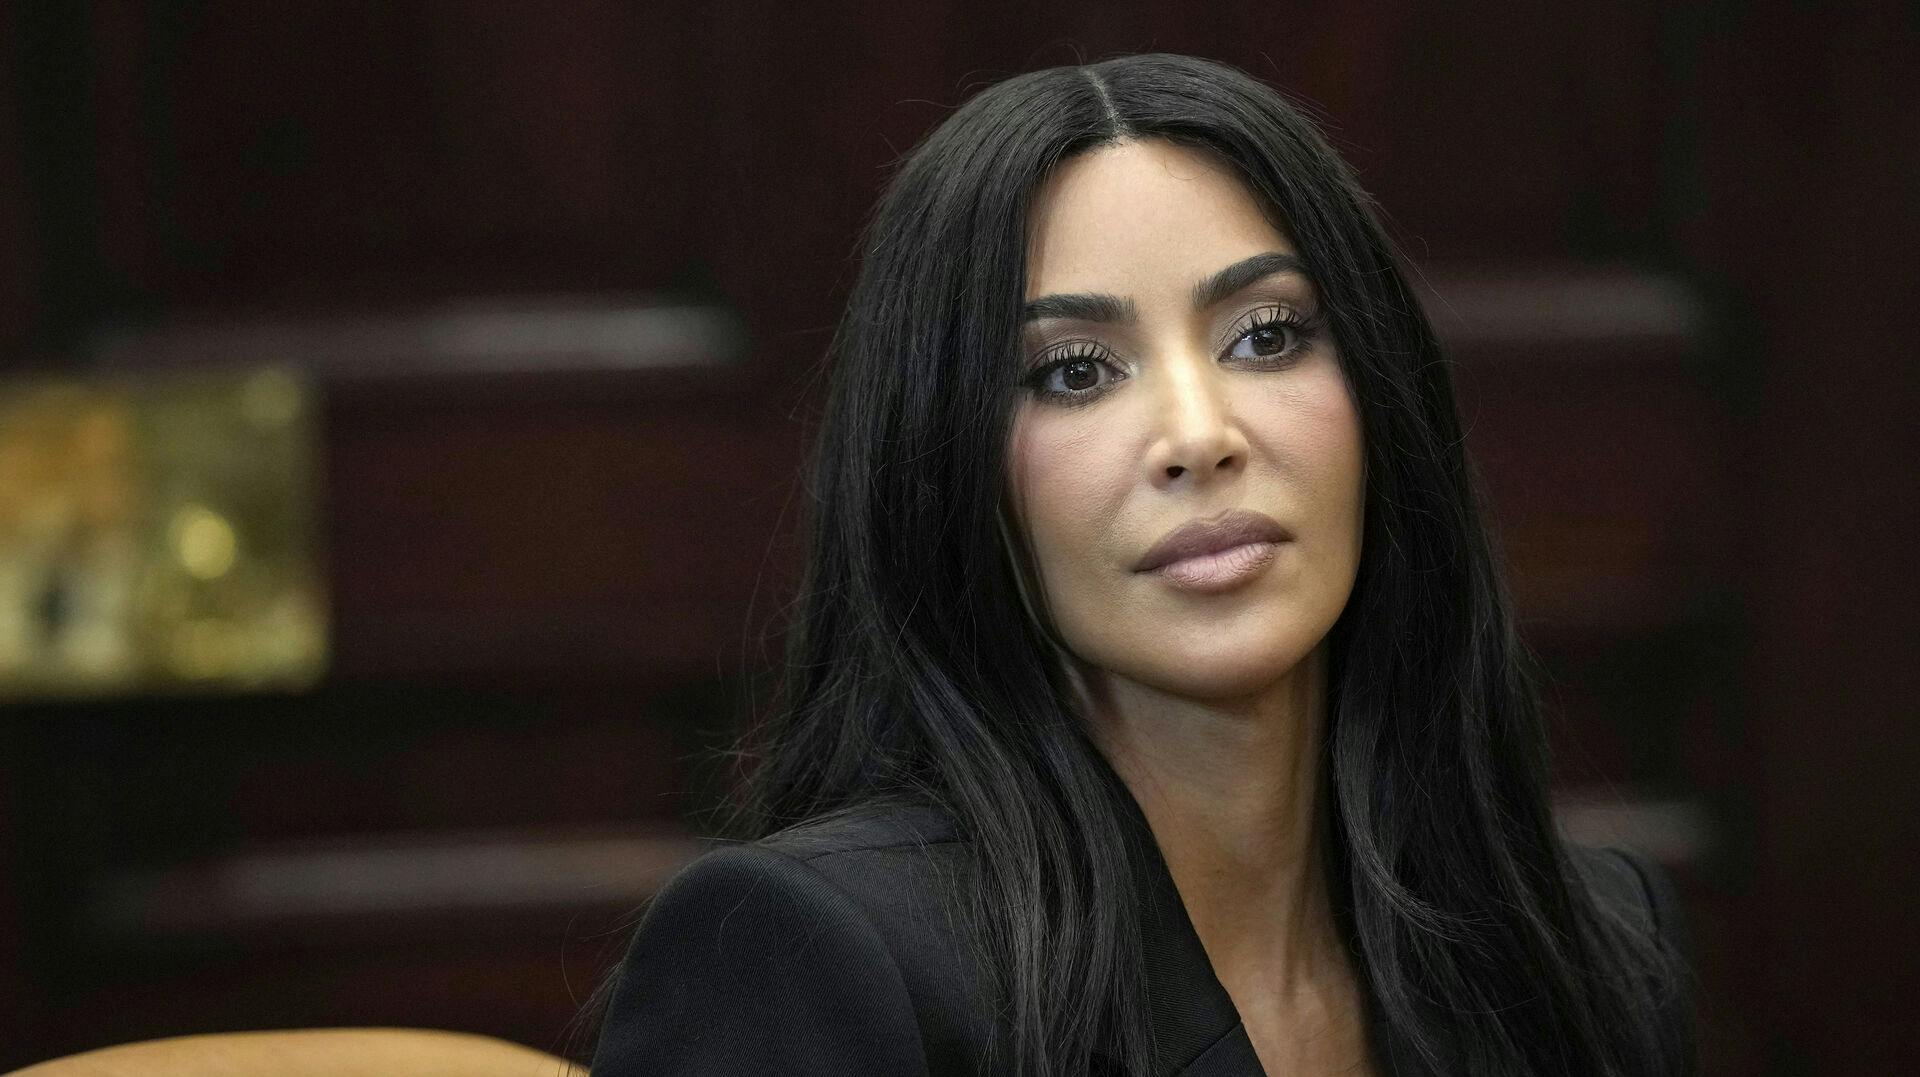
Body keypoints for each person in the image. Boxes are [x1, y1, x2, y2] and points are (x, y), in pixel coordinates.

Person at [587, 53, 1697, 1076]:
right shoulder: (808, 958)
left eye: (1266, 335)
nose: (1198, 434)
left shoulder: (1585, 946)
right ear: (944, 470)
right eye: (1074, 372)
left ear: (1381, 402)